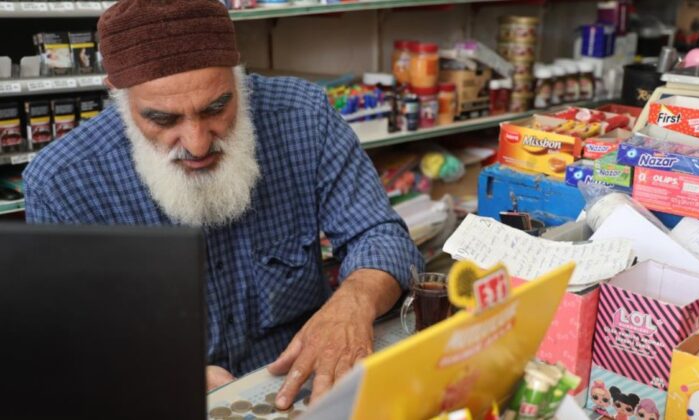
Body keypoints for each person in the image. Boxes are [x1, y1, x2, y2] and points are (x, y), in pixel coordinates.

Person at [22, 0, 423, 410]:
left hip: (305, 384)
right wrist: (158, 368)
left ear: (237, 75)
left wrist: (352, 304)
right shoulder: (62, 182)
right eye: (163, 120)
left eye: (217, 108)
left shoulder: (303, 115)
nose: (197, 143)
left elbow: (379, 234)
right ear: (118, 94)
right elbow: (68, 342)